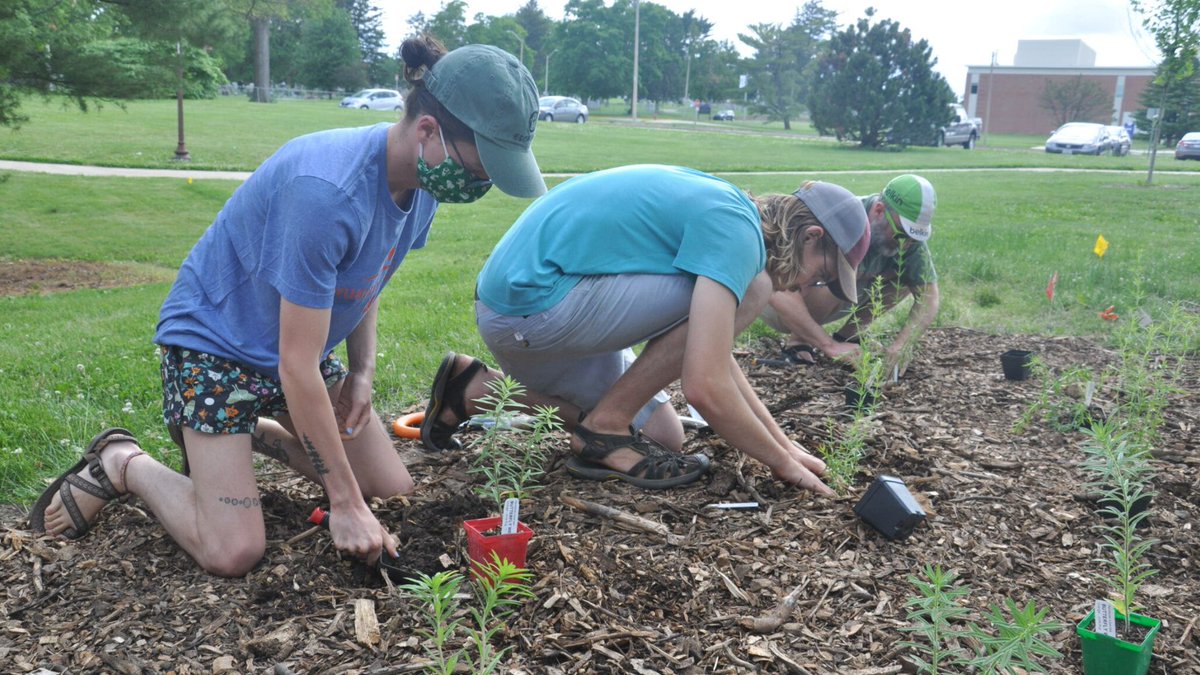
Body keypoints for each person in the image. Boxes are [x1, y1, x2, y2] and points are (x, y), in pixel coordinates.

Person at [30, 37, 546, 576]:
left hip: (290, 346)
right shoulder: (325, 193)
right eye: (483, 165)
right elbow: (296, 367)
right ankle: (124, 462)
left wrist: (363, 372)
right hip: (216, 350)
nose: (483, 181)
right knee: (234, 552)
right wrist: (343, 505)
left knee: (390, 490)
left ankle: (246, 432)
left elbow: (367, 278)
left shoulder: (420, 184)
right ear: (427, 132)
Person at [419, 167, 871, 495]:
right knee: (757, 286)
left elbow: (714, 353)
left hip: (530, 308)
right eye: (823, 273)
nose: (811, 285)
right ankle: (605, 427)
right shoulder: (739, 233)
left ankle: (474, 389)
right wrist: (781, 466)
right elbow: (705, 386)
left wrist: (785, 444)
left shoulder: (733, 212)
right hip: (534, 306)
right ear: (811, 236)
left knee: (661, 436)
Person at [759, 174, 939, 378]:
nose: (905, 244)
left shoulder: (910, 242)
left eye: (913, 239)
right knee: (835, 269)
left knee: (906, 279)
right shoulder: (842, 220)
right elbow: (778, 284)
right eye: (901, 235)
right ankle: (799, 341)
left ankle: (848, 337)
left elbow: (928, 298)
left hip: (821, 298)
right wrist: (827, 345)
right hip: (774, 298)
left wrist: (901, 346)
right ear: (879, 211)